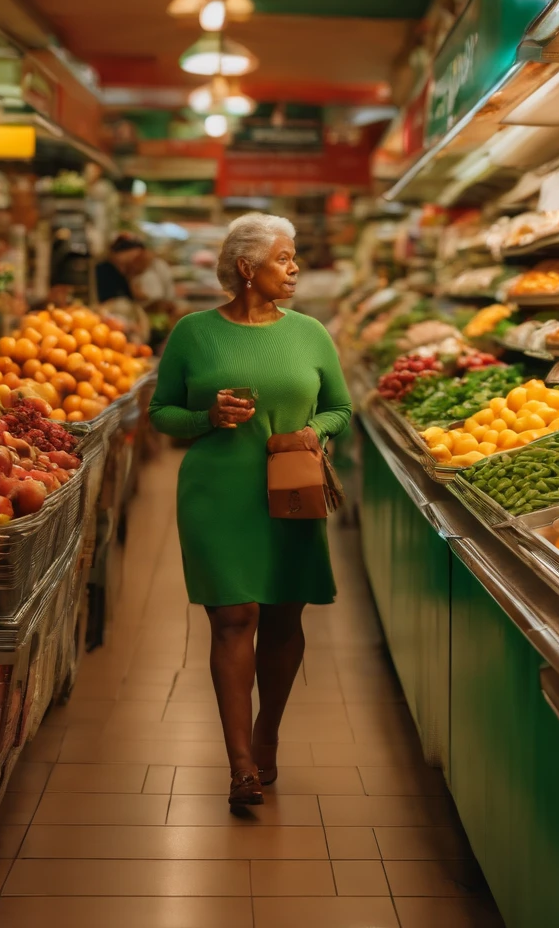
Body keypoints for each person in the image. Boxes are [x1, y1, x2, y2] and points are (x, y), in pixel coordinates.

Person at [148, 213, 352, 808]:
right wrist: (207, 417)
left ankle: (269, 732)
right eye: (283, 259)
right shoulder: (192, 333)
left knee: (285, 622)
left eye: (293, 259)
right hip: (218, 492)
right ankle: (240, 763)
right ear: (246, 268)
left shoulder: (311, 334)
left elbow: (340, 408)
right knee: (234, 618)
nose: (294, 269)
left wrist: (314, 432)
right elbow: (162, 413)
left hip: (291, 488)